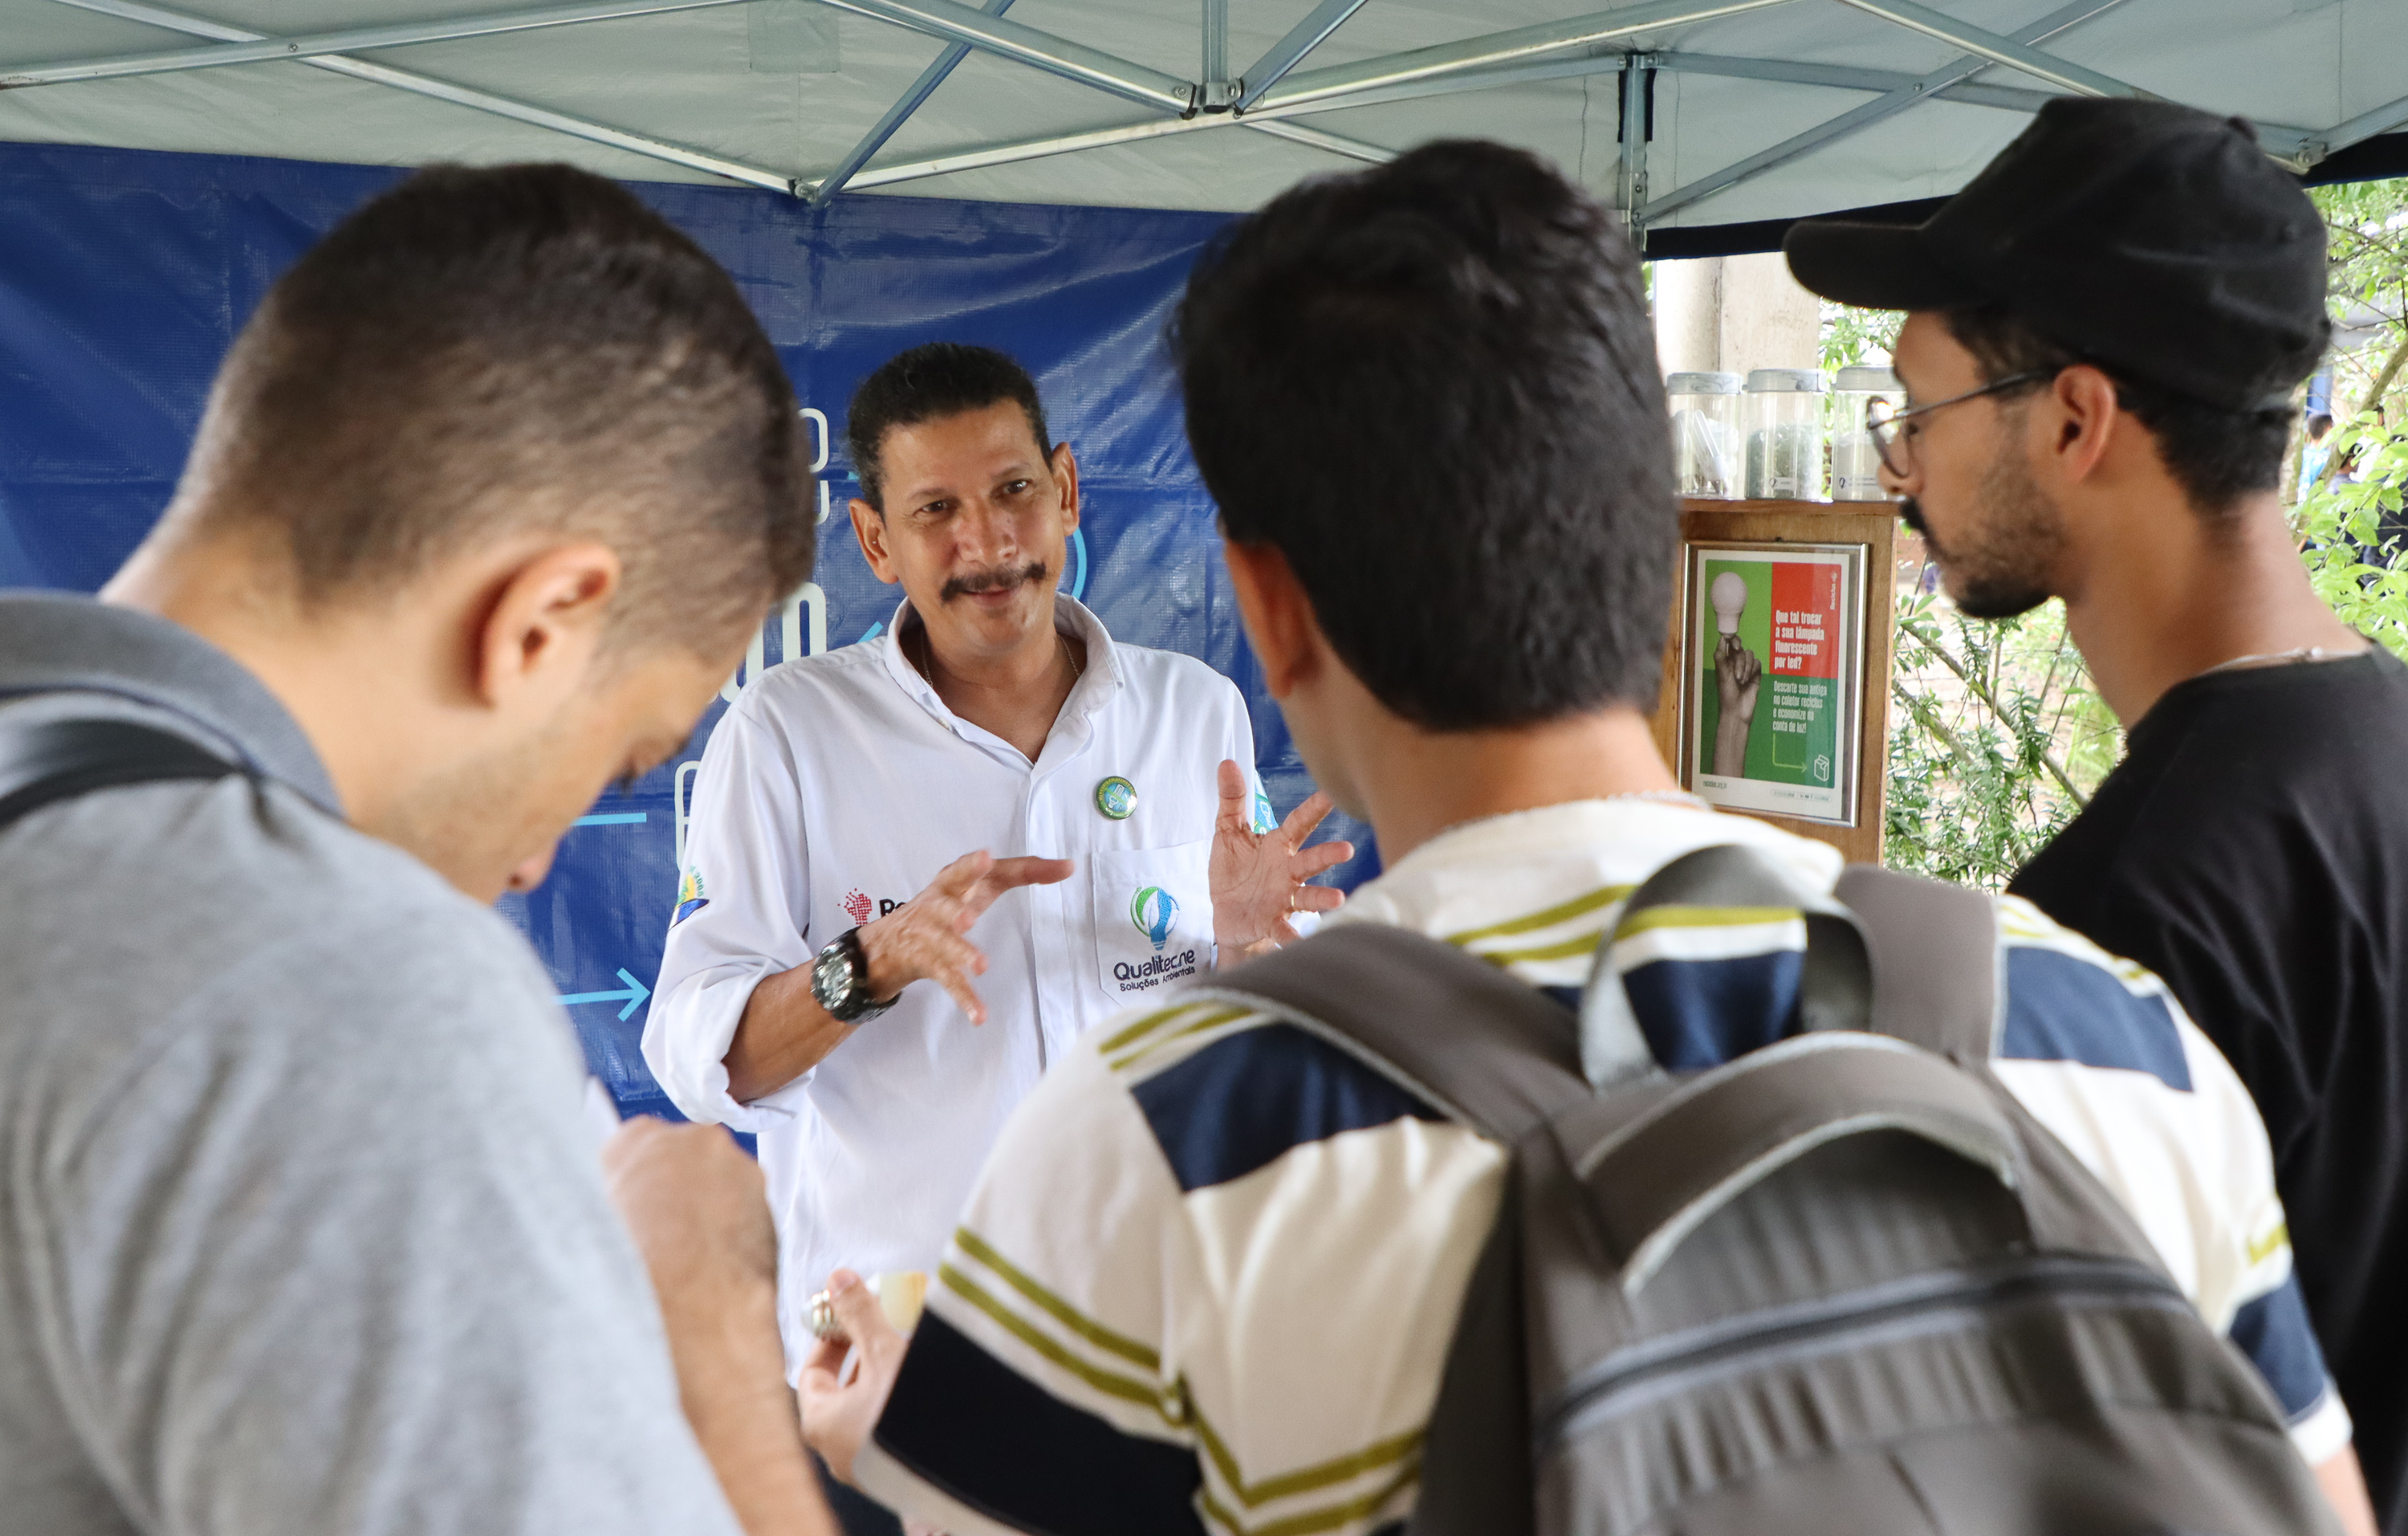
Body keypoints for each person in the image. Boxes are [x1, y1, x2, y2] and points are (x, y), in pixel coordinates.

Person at [771, 139, 2377, 1536]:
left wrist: (831, 1415)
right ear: (1652, 539)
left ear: (1269, 606)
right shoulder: (2115, 1040)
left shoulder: (1177, 1135)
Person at [0, 162, 839, 1534]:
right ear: (543, 623)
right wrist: (716, 1351)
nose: (533, 867)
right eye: (618, 758)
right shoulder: (327, 977)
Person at [1787, 96, 2408, 1535]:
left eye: (1918, 412)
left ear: (2076, 420)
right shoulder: (2380, 741)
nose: (1898, 468)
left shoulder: (2130, 912)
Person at [641, 342, 1352, 1522]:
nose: (989, 542)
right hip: (891, 1384)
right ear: (876, 541)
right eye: (937, 511)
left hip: (1153, 1367)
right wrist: (867, 968)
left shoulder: (1193, 712)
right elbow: (697, 1056)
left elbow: (1246, 1058)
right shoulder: (787, 735)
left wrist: (1246, 952)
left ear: (1066, 487)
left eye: (1015, 489)